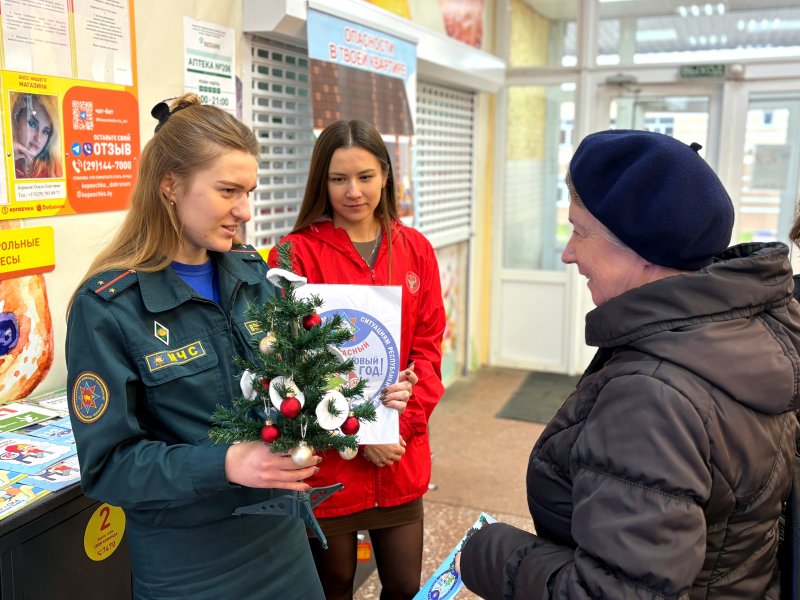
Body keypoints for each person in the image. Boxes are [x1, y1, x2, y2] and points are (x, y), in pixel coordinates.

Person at [459, 129, 800, 599]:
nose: (568, 252)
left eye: (580, 231)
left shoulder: (654, 395)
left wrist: (488, 552)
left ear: (642, 248)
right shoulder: (742, 335)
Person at [65, 94, 325, 600]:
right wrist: (225, 462)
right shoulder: (109, 307)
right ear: (170, 185)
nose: (245, 211)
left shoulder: (254, 275)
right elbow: (108, 467)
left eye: (248, 191)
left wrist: (356, 396)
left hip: (282, 539)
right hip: (189, 564)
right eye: (228, 190)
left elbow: (292, 386)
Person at [269, 119, 446, 600]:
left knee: (405, 583)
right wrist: (360, 433)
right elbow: (287, 364)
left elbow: (427, 349)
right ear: (320, 182)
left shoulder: (415, 249)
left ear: (386, 176)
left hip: (400, 453)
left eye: (365, 177)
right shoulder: (293, 254)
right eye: (338, 179)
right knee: (335, 583)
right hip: (330, 460)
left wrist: (396, 429)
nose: (353, 192)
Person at [10, 92, 62, 179]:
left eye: (45, 131)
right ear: (17, 118)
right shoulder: (5, 159)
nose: (38, 138)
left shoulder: (53, 171)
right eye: (32, 124)